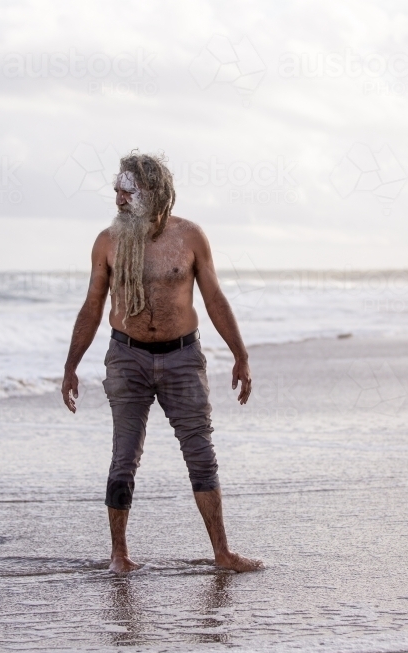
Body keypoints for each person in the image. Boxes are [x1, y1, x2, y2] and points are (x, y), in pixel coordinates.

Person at [61, 151, 263, 574]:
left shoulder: (189, 237)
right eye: (115, 190)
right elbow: (92, 306)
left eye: (127, 191)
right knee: (124, 456)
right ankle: (119, 556)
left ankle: (222, 553)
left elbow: (213, 299)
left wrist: (240, 355)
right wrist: (70, 366)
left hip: (183, 359)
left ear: (153, 193)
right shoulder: (108, 242)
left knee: (201, 454)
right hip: (126, 358)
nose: (117, 199)